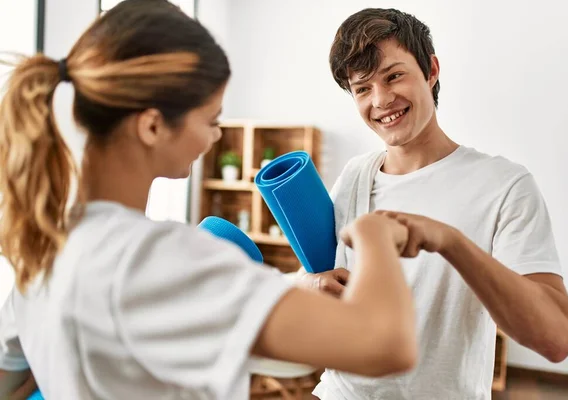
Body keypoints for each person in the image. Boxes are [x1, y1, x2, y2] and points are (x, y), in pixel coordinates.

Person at [0, 1, 420, 399]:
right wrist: (374, 238)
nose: (215, 136)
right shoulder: (157, 256)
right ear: (152, 127)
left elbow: (8, 380)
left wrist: (292, 285)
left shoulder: (45, 246)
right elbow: (387, 345)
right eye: (211, 120)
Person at [297, 8, 568, 400]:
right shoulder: (355, 176)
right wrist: (312, 283)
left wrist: (449, 240)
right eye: (362, 88)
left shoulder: (504, 185)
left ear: (430, 70)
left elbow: (557, 340)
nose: (381, 99)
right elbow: (310, 279)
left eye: (394, 75)